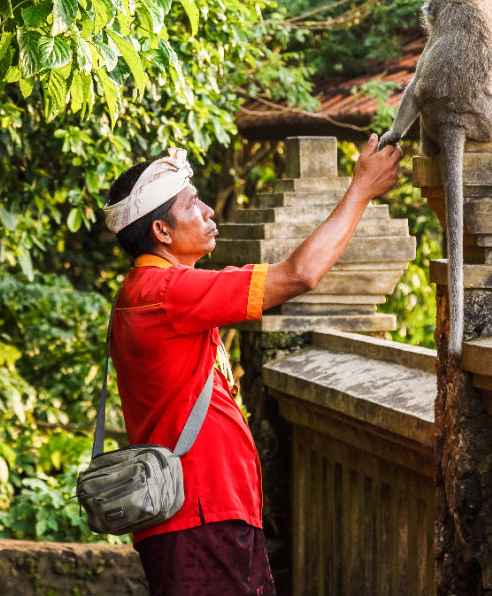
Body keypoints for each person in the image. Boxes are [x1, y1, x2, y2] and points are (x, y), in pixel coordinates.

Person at [102, 134, 402, 596]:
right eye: (193, 204)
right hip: (202, 512)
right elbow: (299, 274)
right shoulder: (168, 292)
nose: (209, 212)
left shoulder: (144, 291)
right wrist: (361, 189)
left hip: (200, 512)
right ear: (162, 231)